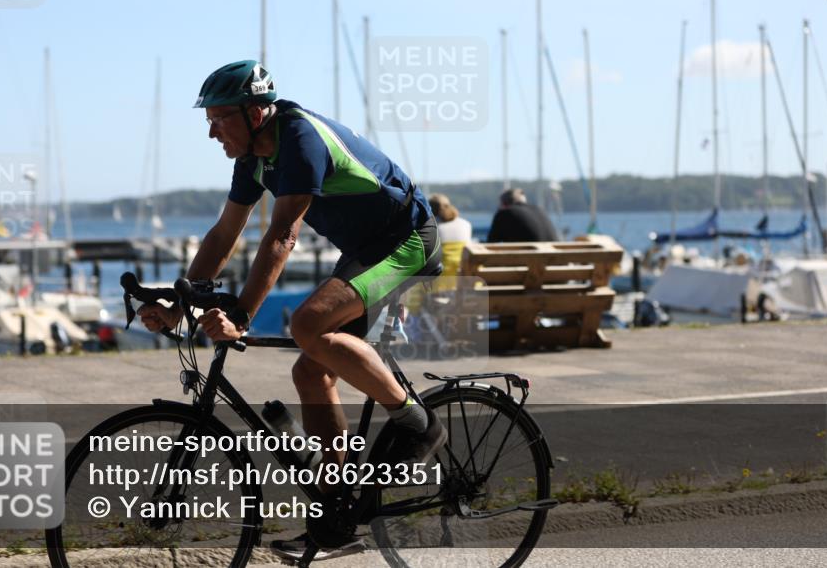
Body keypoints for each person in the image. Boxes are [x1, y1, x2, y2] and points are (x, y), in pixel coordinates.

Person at [137, 60, 446, 561]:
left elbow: (282, 236)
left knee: (306, 323)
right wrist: (177, 304)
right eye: (208, 121)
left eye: (221, 119)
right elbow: (224, 234)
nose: (213, 132)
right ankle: (336, 518)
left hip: (406, 240)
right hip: (364, 249)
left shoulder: (299, 138)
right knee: (311, 372)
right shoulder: (254, 158)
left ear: (257, 111)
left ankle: (417, 422)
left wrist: (240, 315)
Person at [486, 187, 558, 243]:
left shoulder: (504, 213)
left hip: (529, 260)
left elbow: (490, 243)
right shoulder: (539, 210)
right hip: (556, 260)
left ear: (503, 204)